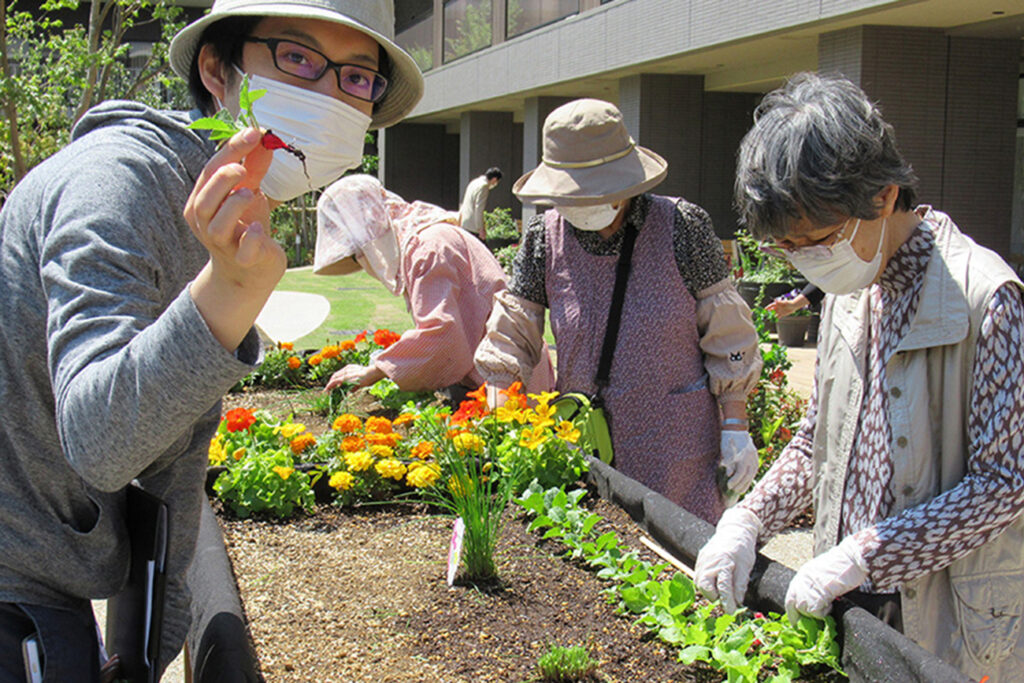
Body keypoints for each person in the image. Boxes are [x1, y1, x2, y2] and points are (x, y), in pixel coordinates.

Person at [0, 0, 423, 679]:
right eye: (298, 58)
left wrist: (145, 653)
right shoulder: (119, 184)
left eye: (356, 78)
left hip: (47, 574)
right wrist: (225, 295)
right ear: (216, 70)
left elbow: (174, 464)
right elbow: (99, 441)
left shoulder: (219, 206)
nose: (328, 93)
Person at [694, 72, 1024, 680]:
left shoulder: (987, 300)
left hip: (943, 616)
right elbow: (818, 437)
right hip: (851, 600)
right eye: (787, 248)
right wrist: (750, 518)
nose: (806, 258)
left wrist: (867, 555)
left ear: (883, 195)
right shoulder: (851, 292)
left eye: (816, 238)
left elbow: (1004, 484)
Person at [474, 99, 762, 524]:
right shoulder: (543, 238)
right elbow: (513, 329)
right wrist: (500, 412)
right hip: (587, 441)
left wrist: (735, 426)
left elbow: (728, 329)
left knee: (676, 568)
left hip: (675, 443)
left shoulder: (682, 226)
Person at [312, 174, 554, 398]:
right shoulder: (429, 240)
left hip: (507, 384)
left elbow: (443, 337)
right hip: (506, 373)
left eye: (358, 253)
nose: (363, 263)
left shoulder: (427, 249)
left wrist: (376, 370)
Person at [458, 166, 502, 240]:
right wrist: (480, 229)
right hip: (473, 226)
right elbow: (479, 208)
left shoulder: (474, 182)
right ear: (494, 179)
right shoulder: (484, 187)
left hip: (465, 222)